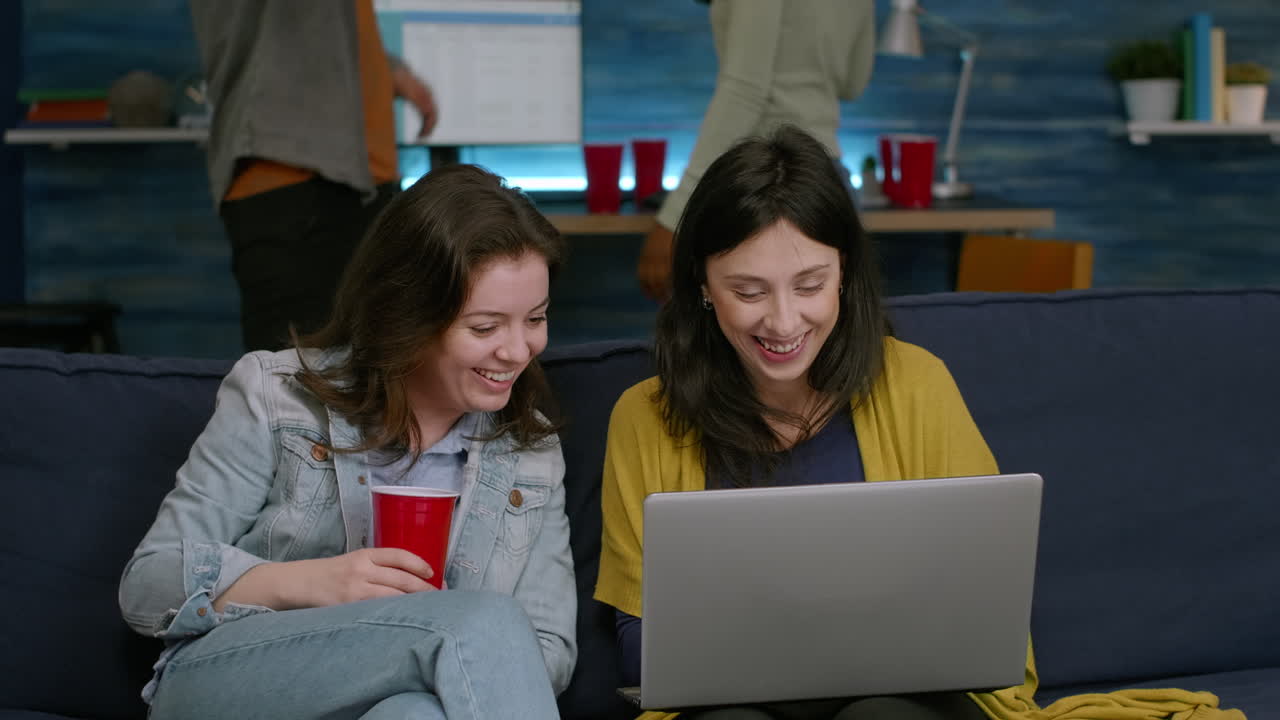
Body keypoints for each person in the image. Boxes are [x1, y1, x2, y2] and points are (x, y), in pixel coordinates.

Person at [596, 125, 1034, 720]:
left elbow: (984, 604)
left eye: (810, 285)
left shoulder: (918, 385)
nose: (783, 322)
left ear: (844, 272)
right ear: (702, 285)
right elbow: (640, 643)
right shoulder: (645, 418)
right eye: (748, 291)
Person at [119, 164, 576, 720]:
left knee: (413, 715)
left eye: (536, 318)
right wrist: (312, 583)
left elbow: (548, 650)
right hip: (230, 684)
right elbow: (146, 587)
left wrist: (426, 658)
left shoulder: (529, 451)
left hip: (421, 700)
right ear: (408, 315)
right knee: (485, 621)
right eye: (484, 328)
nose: (518, 350)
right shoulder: (276, 395)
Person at [189, 0, 440, 351]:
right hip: (294, 185)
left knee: (371, 378)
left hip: (360, 188)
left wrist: (386, 69)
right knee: (291, 390)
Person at [636, 0, 876, 302]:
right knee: (842, 339)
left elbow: (744, 91)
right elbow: (852, 83)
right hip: (829, 182)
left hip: (764, 185)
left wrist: (674, 217)